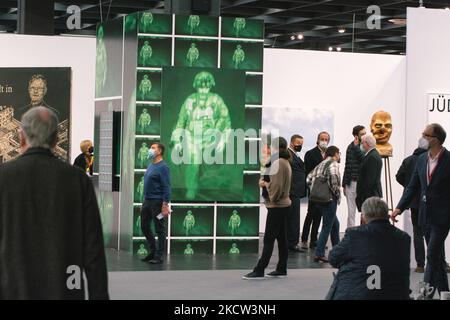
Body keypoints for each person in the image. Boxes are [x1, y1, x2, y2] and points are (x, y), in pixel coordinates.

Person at [0, 107, 108, 299]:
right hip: (65, 287)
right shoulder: (78, 180)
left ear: (21, 137)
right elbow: (93, 250)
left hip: (12, 289)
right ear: (56, 139)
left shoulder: (3, 177)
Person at [392, 123, 450, 298]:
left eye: (426, 134)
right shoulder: (421, 159)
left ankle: (425, 294)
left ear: (436, 139)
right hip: (424, 215)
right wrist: (399, 208)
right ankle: (446, 293)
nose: (423, 137)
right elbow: (412, 186)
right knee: (437, 257)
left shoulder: (449, 160)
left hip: (443, 216)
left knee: (431, 255)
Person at [327, 197, 410, 300]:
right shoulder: (404, 238)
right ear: (386, 215)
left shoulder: (354, 234)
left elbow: (333, 258)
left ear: (363, 217)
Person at [243, 137, 292, 279]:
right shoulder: (285, 161)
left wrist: (265, 185)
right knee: (282, 239)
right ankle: (282, 268)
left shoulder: (277, 162)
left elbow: (275, 186)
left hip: (277, 206)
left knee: (269, 239)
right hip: (283, 205)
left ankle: (259, 269)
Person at [395, 137, 428, 273]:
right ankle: (439, 263)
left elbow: (398, 176)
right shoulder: (428, 160)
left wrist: (409, 187)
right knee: (432, 232)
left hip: (413, 202)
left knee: (417, 232)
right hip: (428, 201)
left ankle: (420, 265)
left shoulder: (408, 160)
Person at [306, 146, 342, 262]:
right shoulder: (334, 164)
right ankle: (319, 253)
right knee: (327, 226)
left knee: (335, 224)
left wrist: (316, 190)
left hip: (319, 200)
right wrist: (337, 194)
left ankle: (337, 250)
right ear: (336, 154)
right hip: (329, 200)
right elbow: (334, 180)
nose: (339, 156)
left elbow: (308, 179)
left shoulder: (321, 164)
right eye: (339, 153)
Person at [140, 142, 171, 264]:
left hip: (157, 202)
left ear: (159, 151)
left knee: (159, 229)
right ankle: (153, 251)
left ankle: (159, 255)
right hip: (147, 201)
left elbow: (167, 186)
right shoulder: (151, 165)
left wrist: (165, 204)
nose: (150, 149)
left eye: (153, 148)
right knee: (144, 226)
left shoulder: (163, 167)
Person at [301, 131, 330, 249]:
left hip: (324, 191)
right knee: (311, 214)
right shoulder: (310, 153)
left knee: (318, 215)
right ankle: (304, 239)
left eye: (326, 139)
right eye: (322, 139)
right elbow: (307, 172)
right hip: (314, 189)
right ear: (318, 140)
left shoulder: (328, 154)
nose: (324, 141)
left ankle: (314, 240)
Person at [342, 125, 365, 228]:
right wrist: (344, 185)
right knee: (351, 212)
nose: (364, 135)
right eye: (362, 134)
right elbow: (347, 166)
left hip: (362, 183)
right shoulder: (350, 147)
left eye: (365, 133)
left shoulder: (366, 146)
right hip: (351, 183)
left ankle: (363, 232)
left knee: (364, 210)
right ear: (356, 136)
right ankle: (350, 234)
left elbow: (364, 161)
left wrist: (357, 148)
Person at [287, 134, 307, 252]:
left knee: (294, 218)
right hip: (292, 191)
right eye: (298, 143)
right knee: (293, 218)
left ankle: (293, 242)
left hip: (296, 191)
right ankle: (292, 242)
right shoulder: (288, 155)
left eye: (301, 143)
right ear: (292, 142)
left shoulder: (295, 155)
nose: (300, 145)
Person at [355, 134, 382, 214]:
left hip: (369, 196)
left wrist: (363, 197)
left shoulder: (372, 157)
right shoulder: (371, 155)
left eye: (362, 143)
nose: (362, 145)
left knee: (368, 220)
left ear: (367, 144)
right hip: (370, 195)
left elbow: (370, 180)